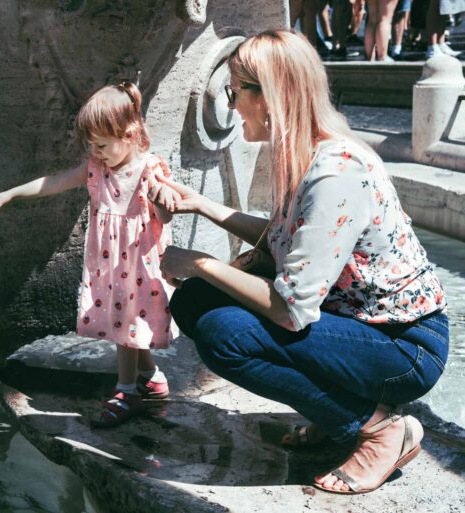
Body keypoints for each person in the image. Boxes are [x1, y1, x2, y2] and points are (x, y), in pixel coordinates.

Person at [150, 30, 449, 494]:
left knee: (226, 334)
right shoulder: (308, 155)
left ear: (270, 95)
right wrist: (204, 206)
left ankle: (377, 428)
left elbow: (291, 309)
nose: (230, 104)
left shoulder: (336, 171)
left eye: (235, 91)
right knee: (195, 303)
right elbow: (285, 240)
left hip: (403, 348)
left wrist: (202, 263)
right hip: (358, 328)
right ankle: (337, 412)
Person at [0, 82, 180, 427]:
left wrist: (163, 198)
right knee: (126, 327)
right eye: (92, 146)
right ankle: (152, 376)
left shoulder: (150, 170)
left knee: (129, 326)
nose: (96, 152)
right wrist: (12, 194)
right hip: (110, 265)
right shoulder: (96, 170)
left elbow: (165, 216)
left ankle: (126, 390)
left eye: (101, 145)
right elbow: (54, 182)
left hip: (139, 264)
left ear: (130, 135)